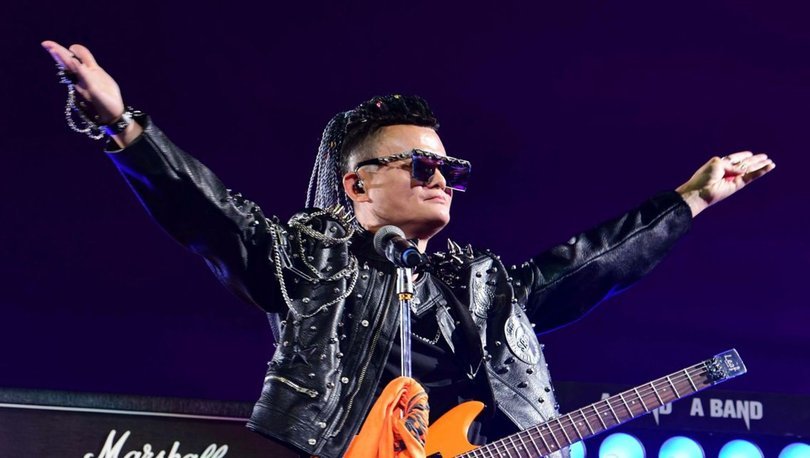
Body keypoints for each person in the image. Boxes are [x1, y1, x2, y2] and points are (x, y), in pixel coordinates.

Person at [41, 41, 775, 458]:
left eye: (450, 168)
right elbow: (213, 216)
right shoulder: (311, 261)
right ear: (357, 185)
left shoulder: (480, 284)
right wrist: (124, 125)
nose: (442, 179)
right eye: (422, 165)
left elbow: (588, 264)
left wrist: (690, 200)